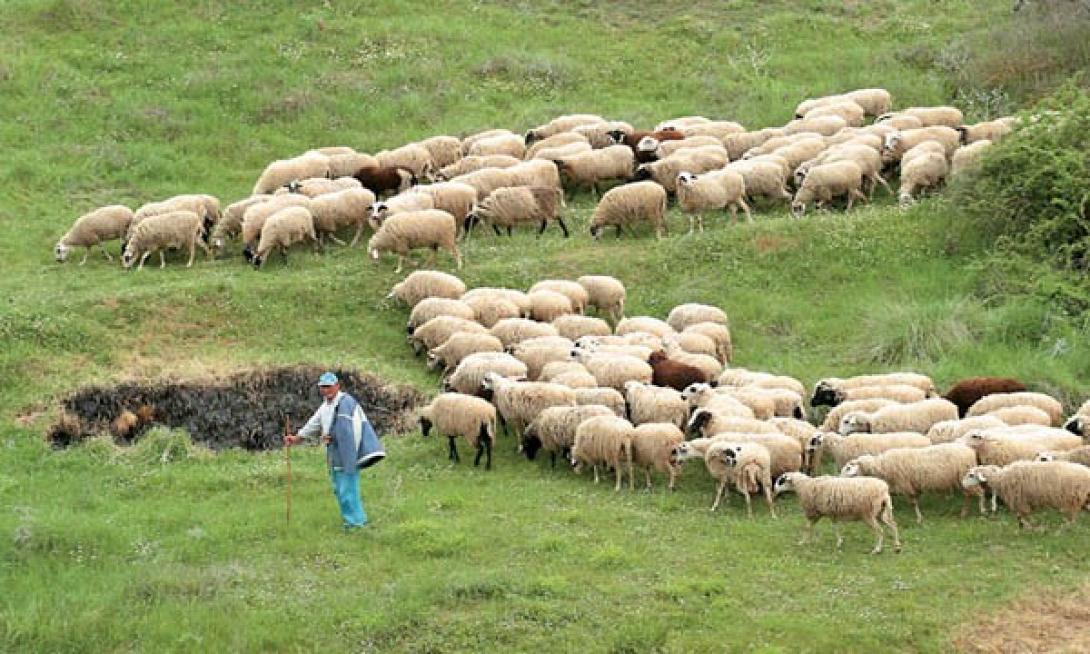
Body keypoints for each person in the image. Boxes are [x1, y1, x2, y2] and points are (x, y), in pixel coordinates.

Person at [284, 372, 385, 531]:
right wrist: (297, 438)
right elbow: (315, 424)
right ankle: (354, 520)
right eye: (323, 387)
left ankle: (355, 523)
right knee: (340, 489)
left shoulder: (346, 403)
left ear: (337, 386)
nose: (326, 390)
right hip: (335, 454)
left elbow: (347, 431)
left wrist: (332, 437)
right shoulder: (326, 406)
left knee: (347, 489)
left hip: (346, 453)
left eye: (329, 386)